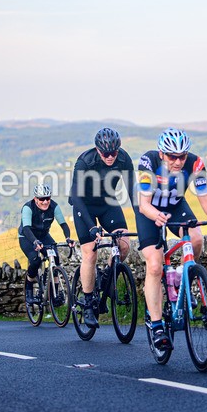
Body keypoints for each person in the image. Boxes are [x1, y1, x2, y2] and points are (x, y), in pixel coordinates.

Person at [134, 128, 207, 351]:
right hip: (149, 210)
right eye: (172, 156)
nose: (178, 161)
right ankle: (157, 325)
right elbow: (144, 205)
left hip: (176, 205)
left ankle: (182, 278)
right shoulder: (148, 163)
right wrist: (156, 216)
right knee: (154, 263)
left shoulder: (196, 164)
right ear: (162, 154)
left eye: (182, 156)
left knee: (196, 238)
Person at [68, 127, 135, 328]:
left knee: (124, 244)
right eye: (105, 153)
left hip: (107, 203)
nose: (110, 157)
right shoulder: (85, 162)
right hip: (84, 206)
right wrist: (91, 228)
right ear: (98, 150)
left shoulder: (123, 159)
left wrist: (144, 219)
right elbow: (76, 198)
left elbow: (133, 192)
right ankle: (88, 302)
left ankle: (105, 276)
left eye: (113, 153)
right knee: (90, 253)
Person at [18, 184, 74, 304]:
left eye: (47, 198)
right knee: (35, 260)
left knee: (56, 258)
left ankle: (54, 294)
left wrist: (68, 238)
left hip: (43, 236)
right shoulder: (28, 208)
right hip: (27, 237)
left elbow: (63, 224)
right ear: (35, 199)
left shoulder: (54, 206)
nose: (45, 202)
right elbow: (26, 228)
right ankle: (29, 289)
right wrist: (35, 241)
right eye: (41, 199)